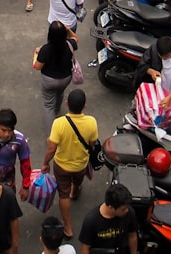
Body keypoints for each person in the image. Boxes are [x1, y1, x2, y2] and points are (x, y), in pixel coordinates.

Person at [41, 89, 99, 240]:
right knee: (77, 181)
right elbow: (92, 143)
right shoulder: (91, 122)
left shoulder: (59, 123)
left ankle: (68, 228)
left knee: (63, 194)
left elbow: (51, 148)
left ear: (66, 104)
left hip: (62, 166)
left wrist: (45, 163)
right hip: (81, 165)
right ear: (84, 106)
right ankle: (75, 190)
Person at [34, 21, 78, 129]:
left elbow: (37, 66)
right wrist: (68, 30)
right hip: (65, 78)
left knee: (48, 105)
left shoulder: (45, 49)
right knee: (60, 93)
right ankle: (57, 112)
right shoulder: (70, 44)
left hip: (49, 81)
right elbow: (76, 38)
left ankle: (52, 135)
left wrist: (36, 54)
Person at [78, 183, 138, 254]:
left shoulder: (129, 213)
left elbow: (132, 235)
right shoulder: (91, 221)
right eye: (123, 209)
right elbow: (85, 248)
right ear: (111, 207)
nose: (127, 210)